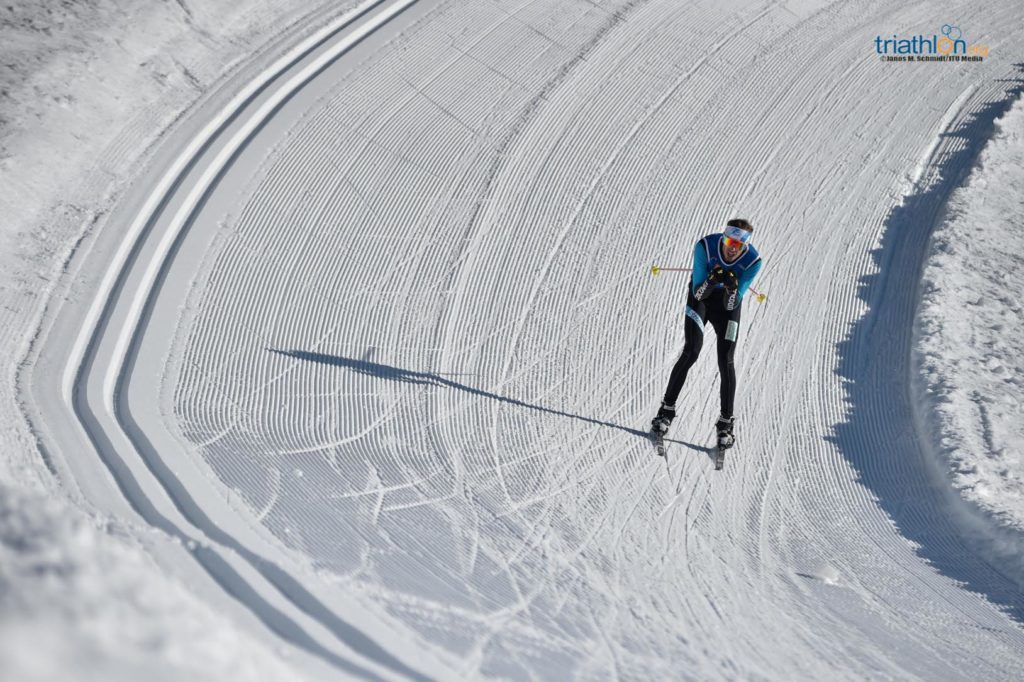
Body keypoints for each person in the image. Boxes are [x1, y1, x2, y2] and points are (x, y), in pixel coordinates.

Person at [651, 219, 763, 449]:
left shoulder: (753, 261)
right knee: (691, 351)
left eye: (739, 246)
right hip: (701, 299)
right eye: (730, 242)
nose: (733, 249)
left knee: (726, 359)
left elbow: (732, 304)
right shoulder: (705, 247)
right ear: (723, 239)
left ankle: (726, 424)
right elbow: (698, 293)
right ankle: (666, 411)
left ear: (745, 247)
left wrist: (731, 288)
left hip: (727, 307)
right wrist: (712, 280)